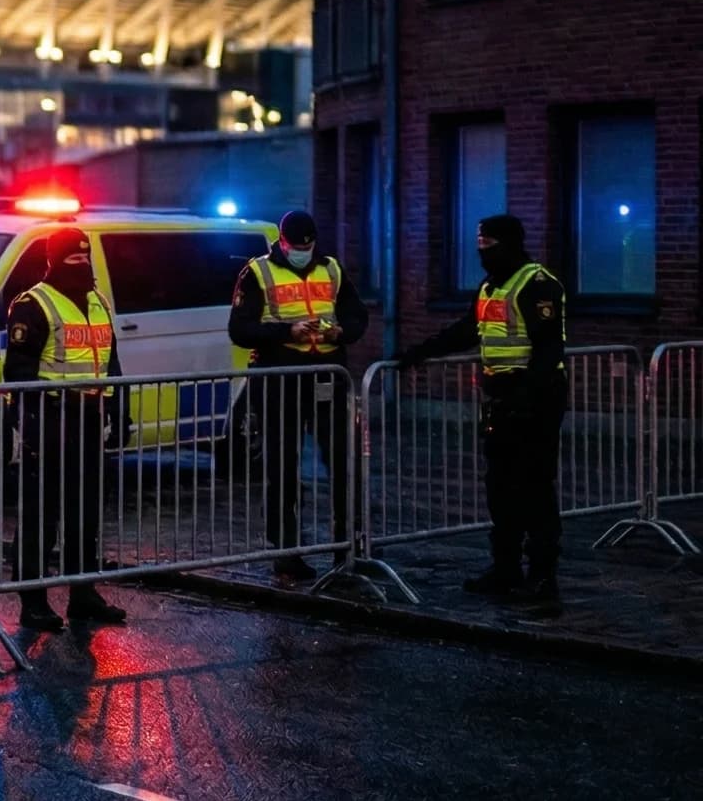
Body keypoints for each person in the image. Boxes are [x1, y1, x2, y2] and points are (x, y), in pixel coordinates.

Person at [394, 214, 568, 602]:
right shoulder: (490, 287)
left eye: (489, 246)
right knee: (501, 487)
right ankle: (505, 568)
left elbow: (548, 348)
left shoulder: (536, 284)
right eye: (480, 246)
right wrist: (418, 353)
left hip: (536, 399)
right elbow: (465, 330)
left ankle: (543, 576)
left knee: (535, 487)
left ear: (509, 243)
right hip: (501, 398)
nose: (483, 253)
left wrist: (526, 396)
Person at [227, 210, 369, 580]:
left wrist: (342, 333)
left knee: (344, 463)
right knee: (282, 468)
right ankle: (285, 552)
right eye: (296, 246)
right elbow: (240, 330)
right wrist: (287, 331)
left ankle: (350, 545)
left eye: (308, 245)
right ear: (282, 242)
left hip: (328, 375)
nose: (303, 252)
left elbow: (357, 316)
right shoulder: (258, 272)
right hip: (281, 377)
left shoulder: (332, 269)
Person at [1, 226, 128, 630]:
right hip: (51, 418)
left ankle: (83, 593)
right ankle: (33, 600)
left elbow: (111, 363)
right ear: (53, 260)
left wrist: (119, 411)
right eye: (72, 257)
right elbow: (18, 372)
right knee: (42, 514)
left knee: (86, 511)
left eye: (84, 256)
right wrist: (32, 423)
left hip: (90, 418)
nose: (80, 263)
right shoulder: (33, 304)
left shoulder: (98, 303)